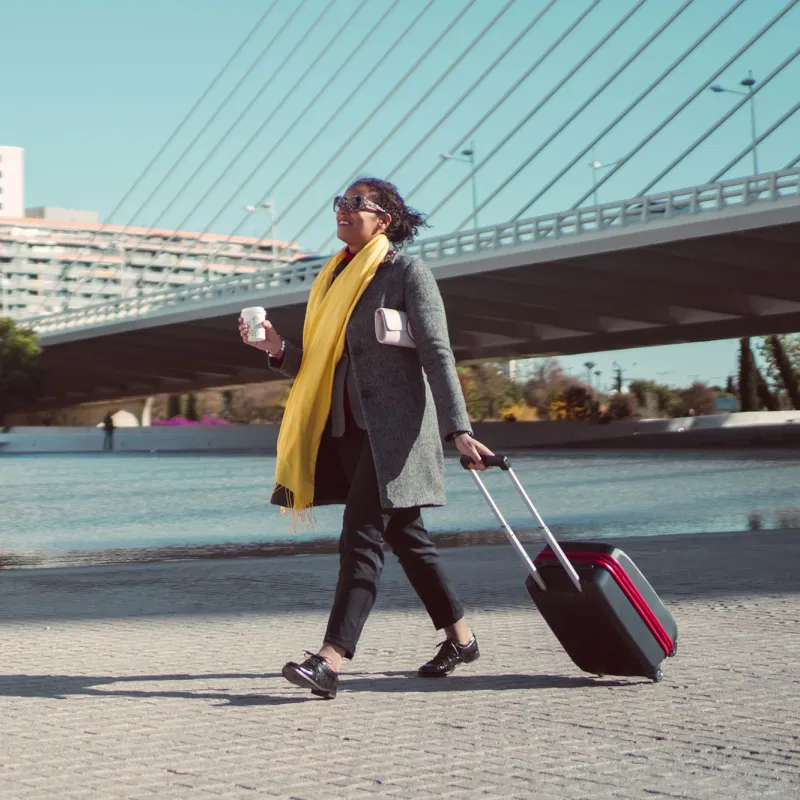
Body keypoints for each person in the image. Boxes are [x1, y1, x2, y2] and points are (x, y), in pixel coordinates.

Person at [238, 177, 495, 700]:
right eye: (340, 202)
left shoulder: (406, 272)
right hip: (347, 429)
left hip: (396, 434)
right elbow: (317, 363)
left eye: (358, 204)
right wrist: (275, 346)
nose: (344, 210)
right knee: (409, 539)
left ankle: (330, 660)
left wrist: (459, 428)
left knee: (360, 538)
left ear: (386, 218)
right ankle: (462, 638)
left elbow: (437, 354)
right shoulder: (331, 278)